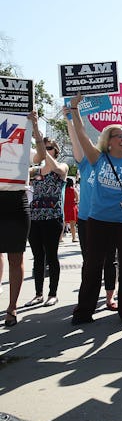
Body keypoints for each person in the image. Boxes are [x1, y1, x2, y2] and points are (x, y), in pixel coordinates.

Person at [69, 94, 122, 326]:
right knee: (93, 266)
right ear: (109, 139)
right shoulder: (97, 158)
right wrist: (74, 109)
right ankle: (84, 312)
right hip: (99, 220)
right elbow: (82, 135)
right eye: (119, 136)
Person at [65, 106, 118, 311]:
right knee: (89, 261)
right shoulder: (86, 161)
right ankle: (87, 298)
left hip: (110, 219)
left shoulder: (117, 162)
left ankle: (109, 297)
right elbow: (77, 140)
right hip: (87, 219)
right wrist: (70, 118)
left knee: (109, 260)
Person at [2, 112, 45, 326]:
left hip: (17, 200)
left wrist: (35, 127)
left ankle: (12, 306)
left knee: (15, 258)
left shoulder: (24, 145)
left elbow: (41, 157)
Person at [25, 136, 68, 308]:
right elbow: (27, 173)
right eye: (44, 148)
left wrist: (43, 153)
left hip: (52, 218)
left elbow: (55, 167)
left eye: (49, 148)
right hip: (34, 218)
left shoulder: (62, 166)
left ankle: (53, 293)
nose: (45, 150)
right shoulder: (37, 169)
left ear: (55, 151)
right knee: (38, 258)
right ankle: (38, 293)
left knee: (51, 256)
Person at [63, 177, 78, 242]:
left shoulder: (63, 190)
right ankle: (74, 238)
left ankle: (60, 238)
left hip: (64, 207)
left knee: (63, 224)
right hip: (72, 207)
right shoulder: (73, 190)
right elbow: (77, 199)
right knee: (72, 225)